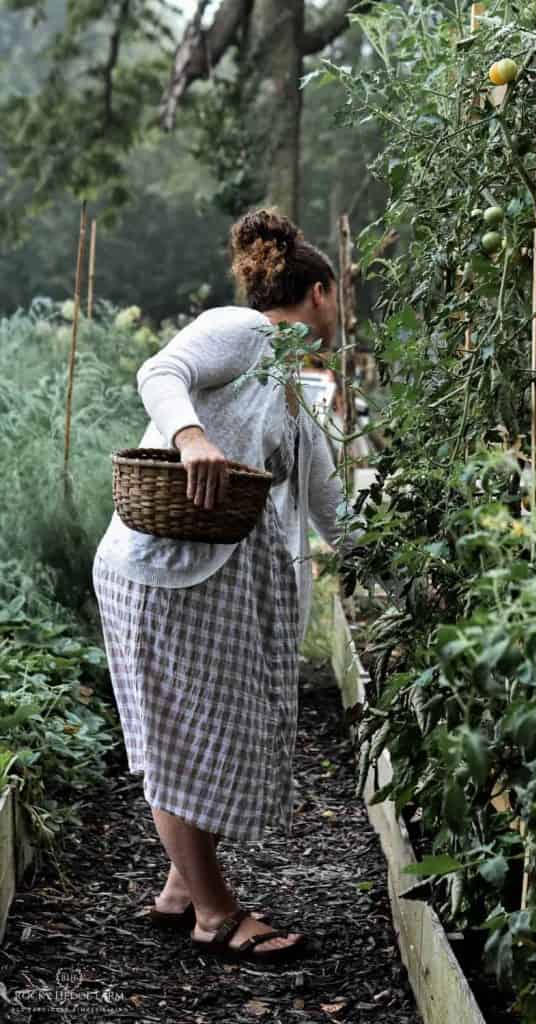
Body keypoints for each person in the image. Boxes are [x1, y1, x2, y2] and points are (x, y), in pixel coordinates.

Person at [91, 208, 359, 962]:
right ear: (319, 291)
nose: (340, 315)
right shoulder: (244, 332)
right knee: (178, 736)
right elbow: (160, 371)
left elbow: (326, 502)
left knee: (194, 728)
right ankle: (215, 913)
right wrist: (191, 437)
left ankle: (182, 887)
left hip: (195, 580)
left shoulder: (296, 384)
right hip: (161, 569)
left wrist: (398, 573)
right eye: (338, 301)